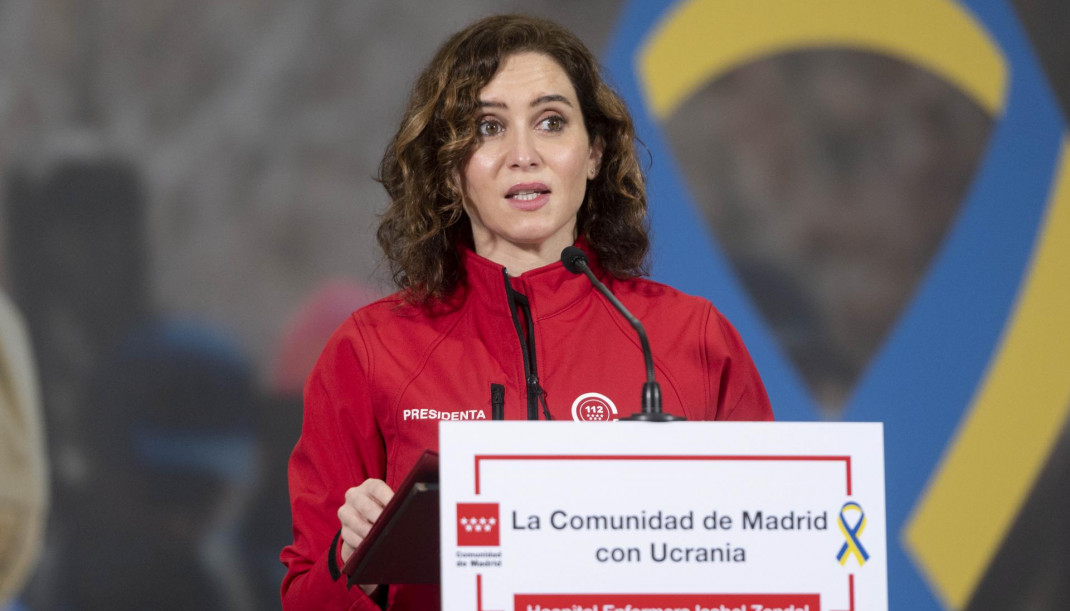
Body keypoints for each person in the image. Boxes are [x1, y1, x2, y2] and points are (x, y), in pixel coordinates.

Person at [281, 14, 773, 610]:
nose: (524, 155)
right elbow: (305, 598)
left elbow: (773, 556)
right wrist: (352, 564)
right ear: (449, 169)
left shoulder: (690, 338)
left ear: (593, 154)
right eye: (488, 127)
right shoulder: (371, 349)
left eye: (551, 122)